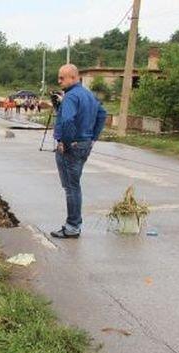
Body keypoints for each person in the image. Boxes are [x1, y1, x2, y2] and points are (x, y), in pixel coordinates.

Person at [51, 64, 107, 239]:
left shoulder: (71, 97)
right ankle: (74, 224)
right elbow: (102, 114)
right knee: (73, 185)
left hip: (72, 147)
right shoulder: (88, 95)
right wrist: (93, 138)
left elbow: (67, 121)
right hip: (84, 144)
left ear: (74, 77)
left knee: (71, 187)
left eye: (62, 78)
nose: (59, 81)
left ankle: (73, 226)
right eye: (59, 77)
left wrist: (65, 143)